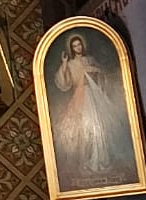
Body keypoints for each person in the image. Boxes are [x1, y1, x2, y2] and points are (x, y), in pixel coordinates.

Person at [51, 33, 127, 185]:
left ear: (82, 45)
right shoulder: (70, 64)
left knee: (99, 125)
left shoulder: (90, 60)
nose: (77, 48)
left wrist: (95, 72)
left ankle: (102, 160)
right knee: (84, 130)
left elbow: (102, 76)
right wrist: (64, 64)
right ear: (72, 49)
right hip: (81, 96)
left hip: (94, 94)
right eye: (74, 46)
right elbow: (64, 83)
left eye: (79, 45)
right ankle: (88, 161)